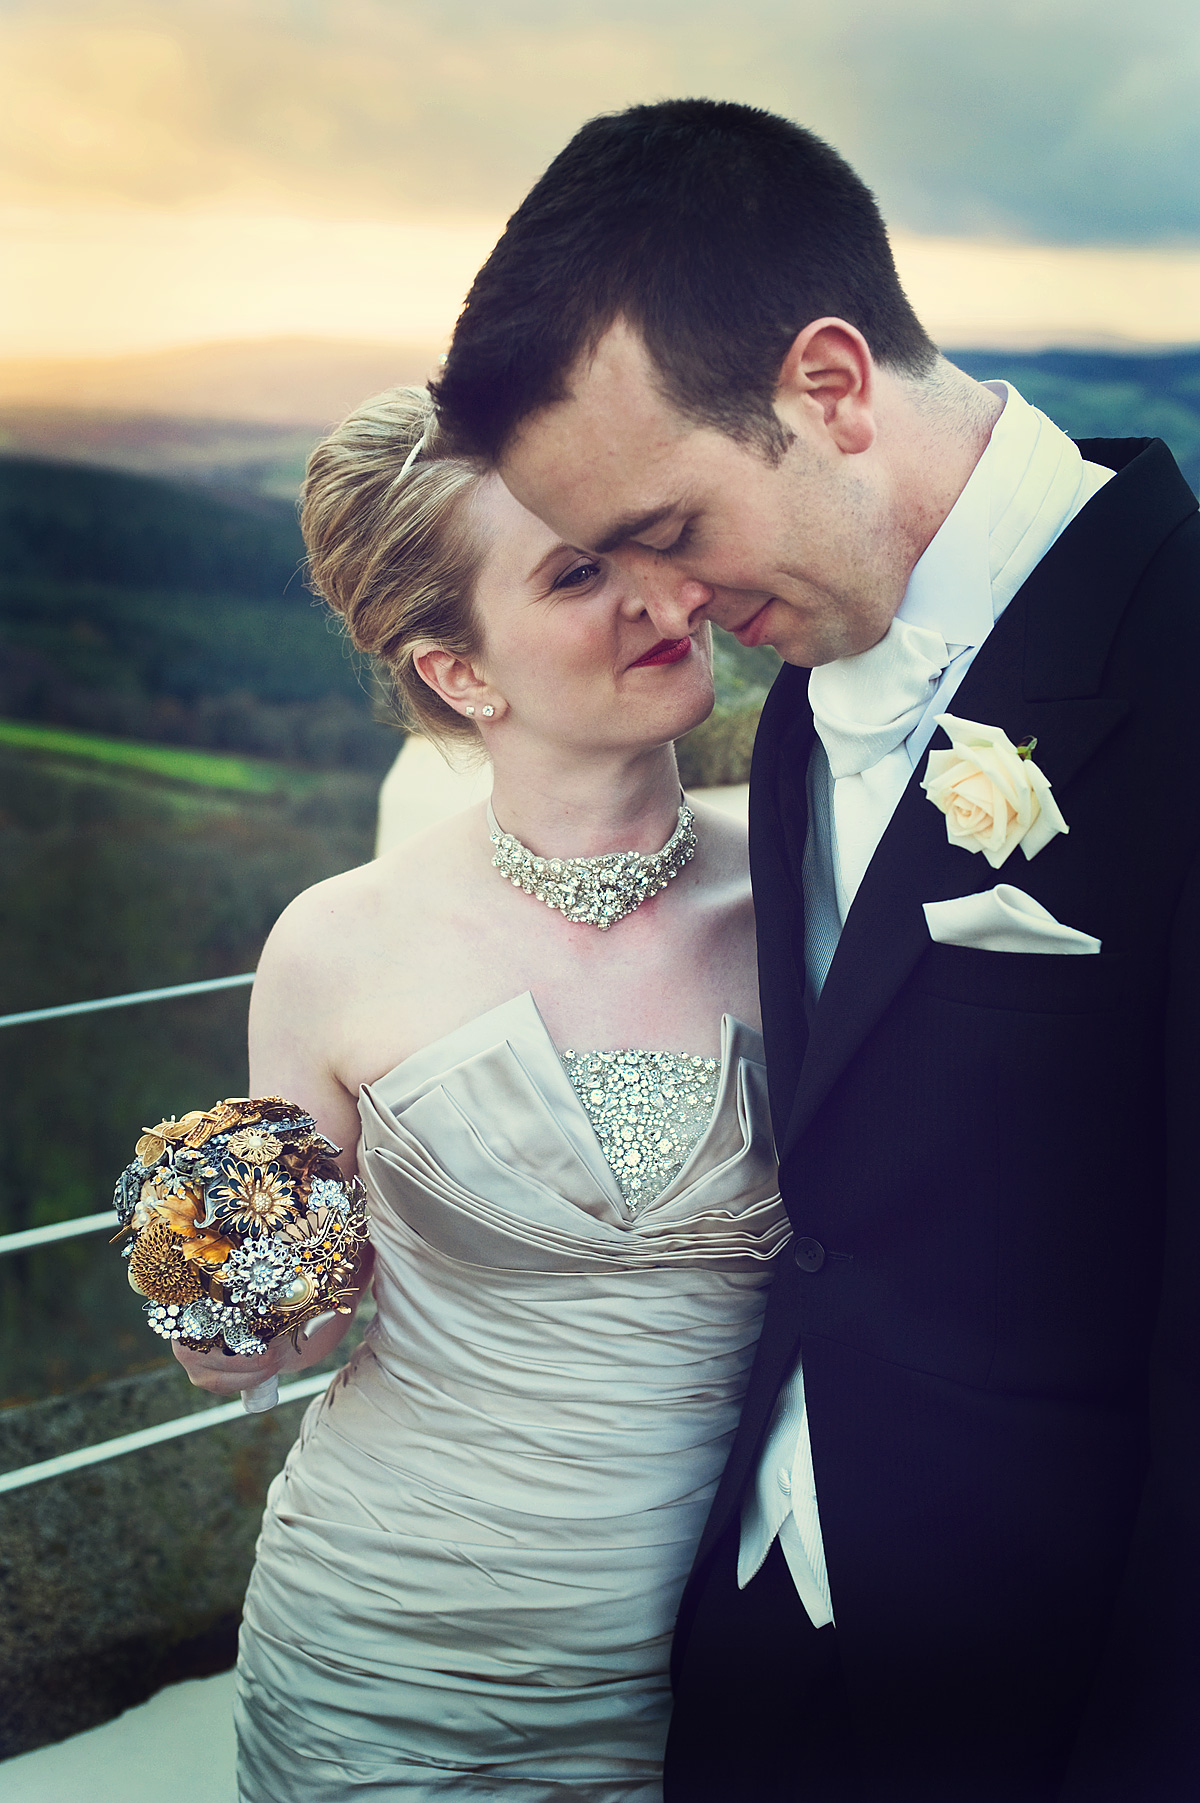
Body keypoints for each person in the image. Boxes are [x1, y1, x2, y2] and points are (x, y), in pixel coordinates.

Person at [431, 99, 1200, 1802]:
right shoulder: (794, 697)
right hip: (760, 1640)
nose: (669, 611)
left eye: (673, 530)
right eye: (609, 562)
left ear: (831, 387)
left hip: (1046, 1696)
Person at [174, 383, 789, 1802]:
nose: (661, 594)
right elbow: (268, 1330)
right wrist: (223, 1301)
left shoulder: (808, 887)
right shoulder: (334, 944)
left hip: (730, 1661)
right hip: (391, 1660)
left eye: (636, 540)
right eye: (579, 573)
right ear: (460, 675)